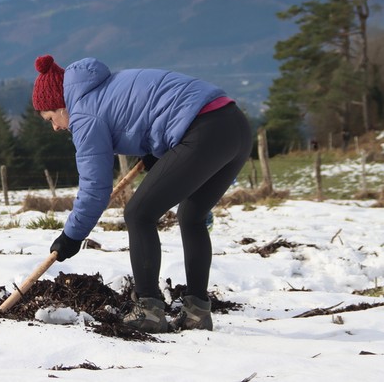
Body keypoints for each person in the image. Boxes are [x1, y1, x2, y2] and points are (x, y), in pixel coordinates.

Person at [31, 55, 252, 332]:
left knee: (138, 213)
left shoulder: (84, 113)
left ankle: (148, 310)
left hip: (203, 130)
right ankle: (197, 312)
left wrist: (72, 236)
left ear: (60, 104)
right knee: (192, 216)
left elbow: (95, 188)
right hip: (234, 126)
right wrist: (158, 152)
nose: (56, 127)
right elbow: (152, 109)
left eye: (51, 118)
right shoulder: (102, 88)